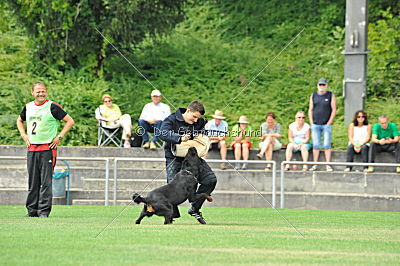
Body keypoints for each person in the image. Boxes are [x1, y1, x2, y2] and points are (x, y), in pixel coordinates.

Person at [16, 81, 75, 217]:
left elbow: (70, 121)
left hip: (47, 148)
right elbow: (19, 120)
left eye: (43, 91)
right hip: (32, 149)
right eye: (38, 91)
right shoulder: (28, 107)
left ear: (46, 92)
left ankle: (43, 211)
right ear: (32, 93)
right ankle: (32, 211)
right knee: (33, 181)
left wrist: (59, 137)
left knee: (46, 182)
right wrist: (24, 135)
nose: (40, 93)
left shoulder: (52, 106)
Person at [159, 101, 217, 224]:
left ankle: (195, 208)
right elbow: (162, 133)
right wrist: (179, 138)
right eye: (194, 117)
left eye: (198, 118)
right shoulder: (171, 119)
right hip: (175, 157)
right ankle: (170, 215)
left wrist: (204, 142)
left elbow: (202, 134)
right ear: (188, 111)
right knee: (172, 187)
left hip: (193, 157)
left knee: (210, 180)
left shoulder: (199, 122)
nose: (196, 121)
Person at [308, 78, 336, 172]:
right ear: (317, 85)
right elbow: (311, 109)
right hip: (315, 123)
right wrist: (311, 122)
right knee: (316, 145)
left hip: (326, 124)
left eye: (323, 85)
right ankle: (315, 164)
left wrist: (329, 122)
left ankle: (328, 165)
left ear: (326, 85)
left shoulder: (330, 95)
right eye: (320, 85)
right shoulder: (313, 95)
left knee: (326, 144)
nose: (322, 87)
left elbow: (333, 109)